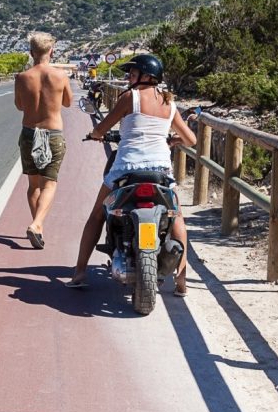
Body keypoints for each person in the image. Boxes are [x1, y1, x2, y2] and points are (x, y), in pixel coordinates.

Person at [68, 53, 196, 295]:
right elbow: (191, 140)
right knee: (177, 217)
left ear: (146, 76)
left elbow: (102, 128)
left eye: (133, 74)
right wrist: (172, 141)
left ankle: (80, 272)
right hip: (160, 171)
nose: (129, 78)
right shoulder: (169, 104)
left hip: (127, 169)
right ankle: (181, 279)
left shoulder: (130, 97)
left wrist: (96, 135)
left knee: (97, 214)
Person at [13, 31, 72, 249]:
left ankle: (37, 226)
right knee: (49, 183)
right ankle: (37, 224)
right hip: (52, 133)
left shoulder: (22, 78)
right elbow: (68, 102)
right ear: (51, 52)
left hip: (30, 133)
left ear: (31, 53)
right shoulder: (60, 76)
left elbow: (19, 105)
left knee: (33, 185)